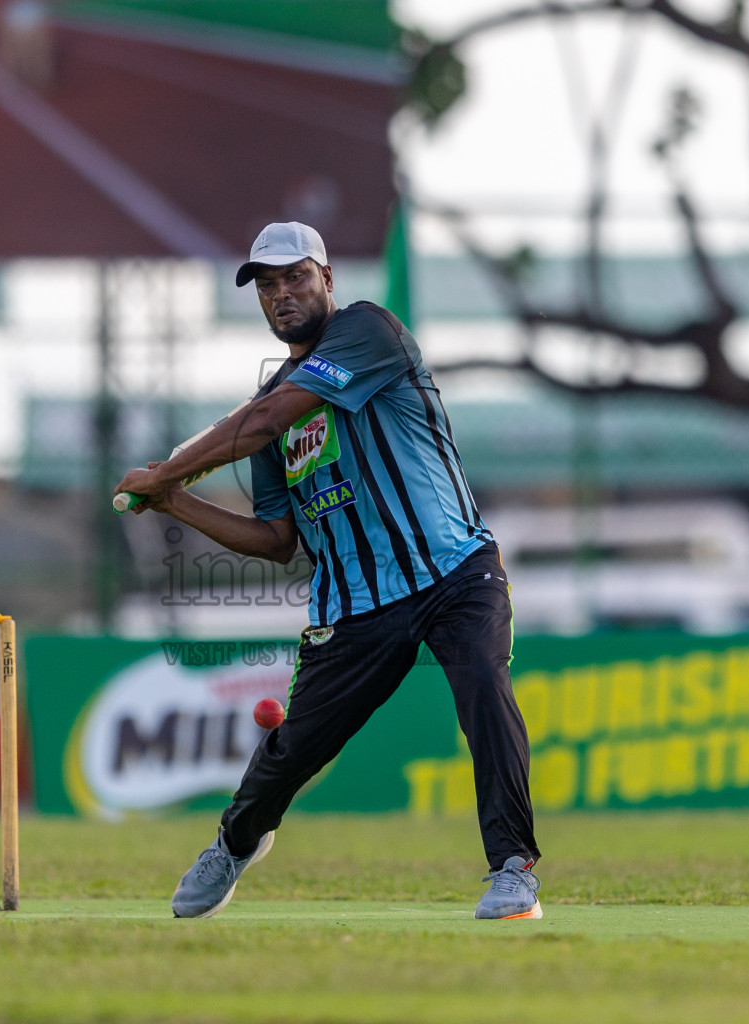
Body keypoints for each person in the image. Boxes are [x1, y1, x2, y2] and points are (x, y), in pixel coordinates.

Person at [115, 221, 543, 921]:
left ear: (328, 279)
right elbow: (275, 539)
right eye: (268, 284)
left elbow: (267, 418)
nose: (283, 294)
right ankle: (235, 843)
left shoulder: (369, 333)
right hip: (355, 606)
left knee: (485, 693)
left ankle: (513, 868)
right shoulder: (266, 410)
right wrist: (176, 501)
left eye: (296, 277)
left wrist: (164, 470)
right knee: (293, 749)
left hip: (454, 571)